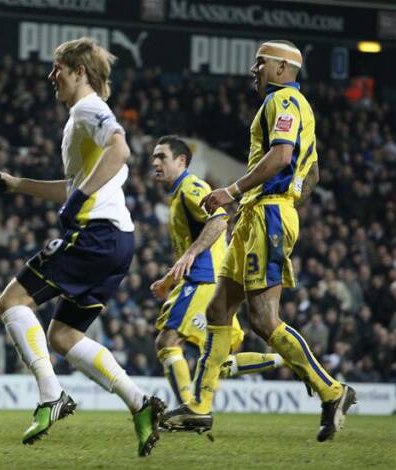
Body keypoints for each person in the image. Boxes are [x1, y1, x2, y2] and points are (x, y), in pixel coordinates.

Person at [162, 40, 355, 442]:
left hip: (265, 213)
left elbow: (283, 156)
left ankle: (332, 391)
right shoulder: (300, 108)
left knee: (264, 320)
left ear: (283, 68)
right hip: (261, 213)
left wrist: (237, 192)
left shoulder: (282, 100)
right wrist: (287, 201)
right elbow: (312, 172)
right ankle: (199, 407)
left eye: (260, 63)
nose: (254, 70)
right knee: (219, 310)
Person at [0, 37, 164, 457]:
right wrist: (18, 185)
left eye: (58, 69)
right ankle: (141, 404)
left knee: (12, 301)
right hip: (119, 241)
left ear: (79, 71)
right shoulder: (83, 118)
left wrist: (81, 199)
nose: (52, 77)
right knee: (63, 335)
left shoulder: (88, 109)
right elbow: (71, 187)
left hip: (95, 235)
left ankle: (52, 395)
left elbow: (121, 149)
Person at [149, 135, 284, 407]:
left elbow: (220, 219)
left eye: (162, 156)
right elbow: (195, 243)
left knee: (167, 341)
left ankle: (190, 409)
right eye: (154, 157)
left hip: (203, 280)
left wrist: (191, 253)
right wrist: (169, 278)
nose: (155, 162)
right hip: (205, 278)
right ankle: (283, 358)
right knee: (216, 360)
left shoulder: (190, 187)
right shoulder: (177, 196)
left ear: (181, 161)